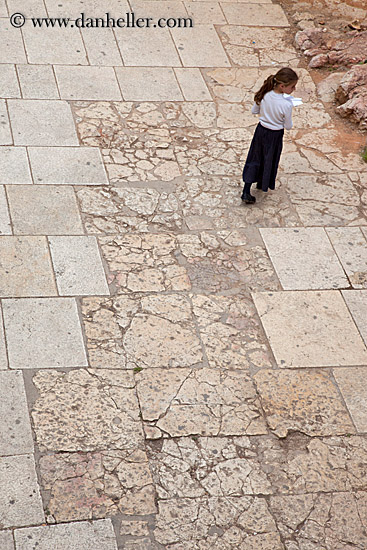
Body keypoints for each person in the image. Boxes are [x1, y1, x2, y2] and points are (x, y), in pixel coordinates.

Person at [241, 67, 299, 204]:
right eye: (292, 86)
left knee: (255, 157)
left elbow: (254, 110)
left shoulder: (265, 94)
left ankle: (246, 190)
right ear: (282, 86)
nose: (294, 89)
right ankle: (263, 182)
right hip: (275, 135)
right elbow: (288, 125)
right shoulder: (286, 104)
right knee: (269, 159)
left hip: (260, 131)